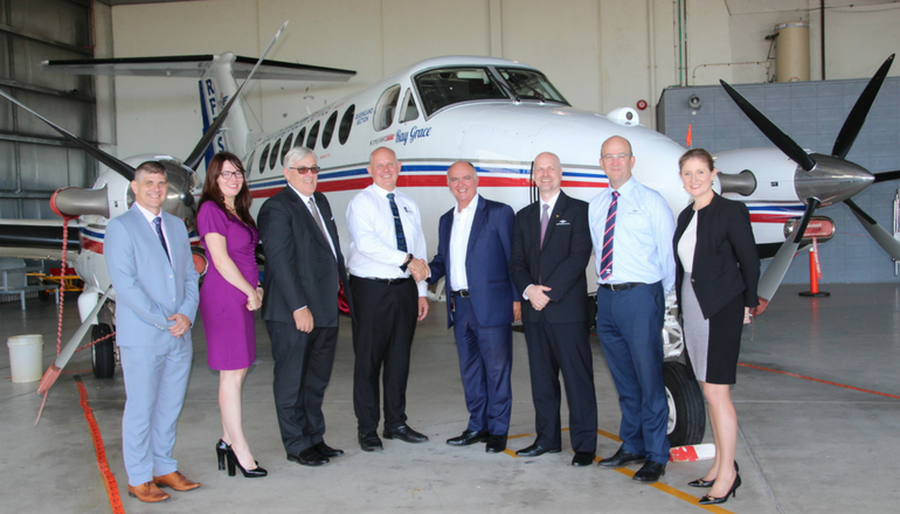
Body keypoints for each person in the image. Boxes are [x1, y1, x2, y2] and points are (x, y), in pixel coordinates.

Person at [104, 161, 201, 502]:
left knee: (170, 406)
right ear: (135, 186)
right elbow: (126, 287)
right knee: (141, 408)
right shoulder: (120, 228)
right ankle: (139, 477)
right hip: (145, 335)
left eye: (161, 183)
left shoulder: (176, 225)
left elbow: (189, 275)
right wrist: (167, 320)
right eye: (149, 183)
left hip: (179, 332)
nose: (156, 189)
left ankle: (164, 466)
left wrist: (187, 314)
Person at [674, 148, 759, 505]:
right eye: (687, 174)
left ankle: (728, 474)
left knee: (717, 392)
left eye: (700, 172)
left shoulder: (730, 211)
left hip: (721, 306)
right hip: (694, 306)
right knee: (708, 389)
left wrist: (749, 303)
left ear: (713, 173)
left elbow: (749, 260)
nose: (694, 179)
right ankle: (719, 465)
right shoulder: (684, 215)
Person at [590, 135, 675, 483]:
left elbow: (668, 258)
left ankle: (657, 454)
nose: (614, 162)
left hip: (642, 297)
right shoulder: (596, 205)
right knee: (624, 379)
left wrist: (664, 300)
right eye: (608, 157)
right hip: (607, 297)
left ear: (632, 160)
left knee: (649, 378)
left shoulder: (652, 202)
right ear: (601, 163)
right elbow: (598, 250)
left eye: (620, 156)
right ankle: (633, 443)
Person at [258, 146, 350, 467]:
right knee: (291, 380)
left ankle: (314, 437)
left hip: (324, 310)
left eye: (314, 169)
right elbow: (280, 262)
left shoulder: (321, 202)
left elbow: (332, 253)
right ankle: (296, 444)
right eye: (303, 170)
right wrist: (299, 306)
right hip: (292, 313)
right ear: (287, 173)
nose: (310, 175)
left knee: (315, 381)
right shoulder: (277, 208)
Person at [509, 151, 597, 467]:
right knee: (542, 380)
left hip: (566, 311)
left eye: (551, 169)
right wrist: (529, 290)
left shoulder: (579, 211)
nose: (545, 174)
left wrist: (548, 293)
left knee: (577, 380)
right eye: (540, 170)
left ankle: (585, 445)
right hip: (534, 312)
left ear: (561, 173)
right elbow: (516, 261)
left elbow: (578, 257)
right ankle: (547, 440)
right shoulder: (523, 216)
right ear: (533, 176)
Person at [427, 161, 521, 454]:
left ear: (476, 180)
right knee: (470, 372)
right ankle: (477, 426)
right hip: (460, 305)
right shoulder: (446, 219)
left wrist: (517, 298)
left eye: (466, 178)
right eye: (455, 179)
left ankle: (498, 430)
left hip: (493, 305)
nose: (461, 184)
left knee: (496, 372)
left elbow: (513, 260)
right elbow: (443, 259)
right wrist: (425, 272)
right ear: (448, 184)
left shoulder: (498, 213)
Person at [346, 146, 430, 452]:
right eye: (379, 165)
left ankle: (396, 423)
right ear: (370, 170)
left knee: (399, 359)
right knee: (368, 361)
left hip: (404, 290)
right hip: (371, 290)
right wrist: (407, 260)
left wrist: (420, 291)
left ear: (399, 167)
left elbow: (419, 246)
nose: (385, 170)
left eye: (390, 164)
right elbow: (368, 244)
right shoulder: (362, 203)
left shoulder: (408, 203)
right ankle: (367, 428)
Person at [197, 152, 267, 478]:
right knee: (231, 373)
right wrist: (250, 291)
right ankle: (240, 449)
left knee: (237, 373)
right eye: (225, 174)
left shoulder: (238, 210)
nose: (233, 178)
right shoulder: (211, 210)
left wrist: (258, 289)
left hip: (242, 296)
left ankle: (226, 441)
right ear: (214, 178)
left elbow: (249, 259)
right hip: (225, 297)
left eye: (237, 172)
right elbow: (221, 261)